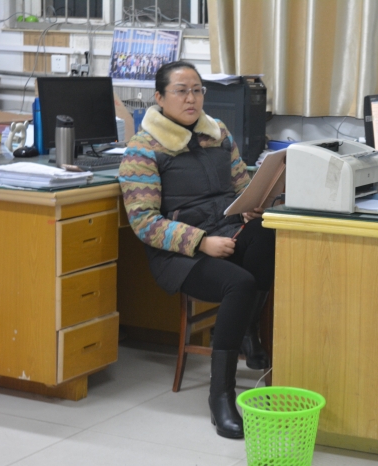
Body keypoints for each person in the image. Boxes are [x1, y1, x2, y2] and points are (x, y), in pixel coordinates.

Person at [118, 61, 275, 440]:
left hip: (226, 233)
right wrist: (201, 242)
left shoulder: (217, 132)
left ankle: (248, 330)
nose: (191, 99)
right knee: (239, 283)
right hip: (179, 255)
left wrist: (251, 205)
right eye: (181, 91)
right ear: (159, 98)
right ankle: (221, 396)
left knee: (271, 234)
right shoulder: (142, 150)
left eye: (197, 90)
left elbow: (241, 185)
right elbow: (144, 223)